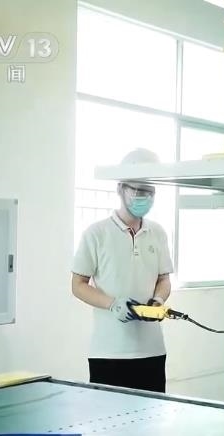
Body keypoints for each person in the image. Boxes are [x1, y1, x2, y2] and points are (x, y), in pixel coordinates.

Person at [71, 148, 174, 393]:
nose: (144, 197)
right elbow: (78, 285)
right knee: (109, 417)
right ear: (120, 189)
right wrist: (113, 304)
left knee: (151, 416)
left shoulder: (157, 233)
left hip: (152, 351)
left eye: (149, 192)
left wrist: (158, 300)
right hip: (109, 353)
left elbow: (164, 279)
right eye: (138, 191)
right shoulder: (96, 234)